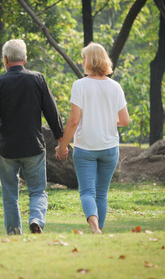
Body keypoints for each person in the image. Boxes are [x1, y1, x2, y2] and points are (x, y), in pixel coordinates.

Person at [0, 39, 64, 235]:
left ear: (5, 59)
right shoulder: (38, 79)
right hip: (33, 147)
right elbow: (52, 112)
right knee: (38, 191)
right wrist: (62, 141)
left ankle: (14, 232)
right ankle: (36, 220)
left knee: (10, 195)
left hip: (7, 150)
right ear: (25, 59)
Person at [55, 42, 130, 234]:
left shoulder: (80, 85)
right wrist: (105, 119)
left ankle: (95, 228)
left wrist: (63, 146)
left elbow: (73, 121)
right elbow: (124, 120)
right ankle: (99, 230)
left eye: (83, 58)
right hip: (110, 148)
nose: (81, 62)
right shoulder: (115, 86)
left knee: (87, 191)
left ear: (89, 61)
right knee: (101, 194)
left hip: (85, 149)